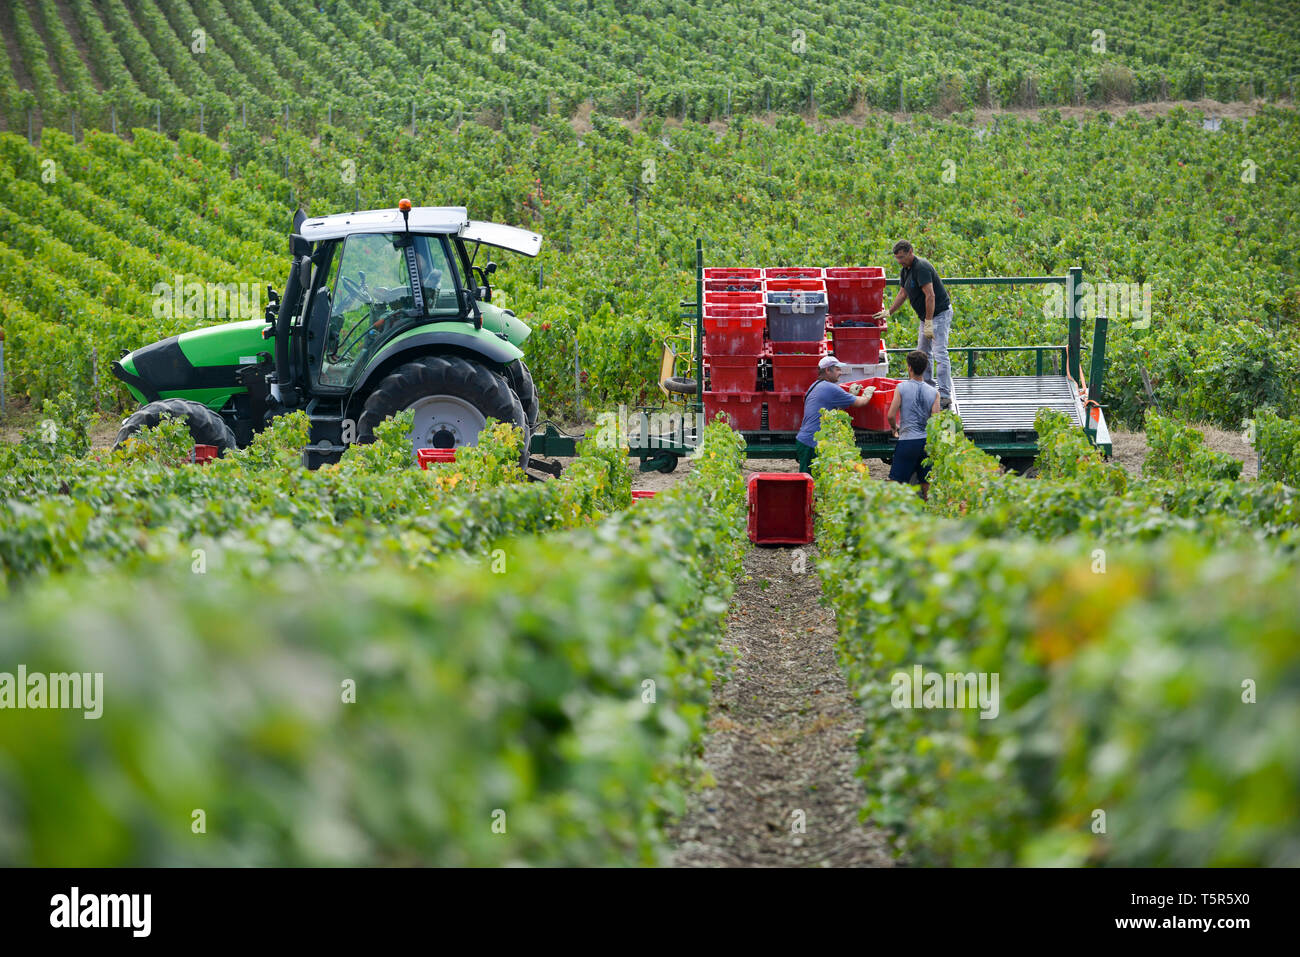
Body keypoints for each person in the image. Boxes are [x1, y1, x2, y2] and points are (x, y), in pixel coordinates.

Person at [876, 240, 953, 409]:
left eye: (902, 257)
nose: (900, 261)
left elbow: (930, 296)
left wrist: (929, 322)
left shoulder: (921, 268)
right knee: (922, 353)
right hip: (926, 317)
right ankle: (927, 387)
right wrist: (890, 311)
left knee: (940, 353)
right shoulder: (906, 270)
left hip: (938, 314)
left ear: (911, 251)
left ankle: (945, 395)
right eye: (897, 258)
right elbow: (903, 293)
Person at [794, 355, 875, 474]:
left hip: (805, 440)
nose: (841, 373)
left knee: (811, 481)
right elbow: (859, 403)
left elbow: (832, 410)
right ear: (827, 370)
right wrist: (867, 395)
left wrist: (850, 395)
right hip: (812, 443)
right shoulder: (830, 388)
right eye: (837, 369)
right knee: (807, 483)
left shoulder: (815, 385)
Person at [887, 350, 942, 500]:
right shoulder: (934, 392)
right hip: (926, 443)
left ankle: (893, 516)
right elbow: (935, 420)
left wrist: (894, 429)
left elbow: (891, 415)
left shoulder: (901, 388)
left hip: (907, 442)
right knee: (927, 484)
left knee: (895, 484)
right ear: (925, 368)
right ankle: (931, 512)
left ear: (909, 368)